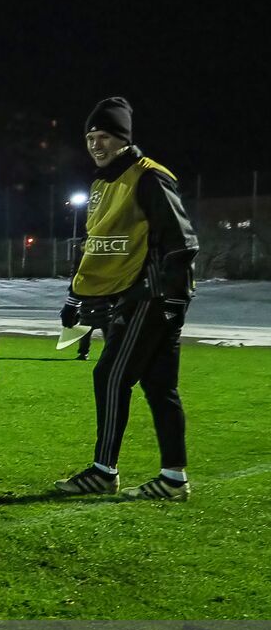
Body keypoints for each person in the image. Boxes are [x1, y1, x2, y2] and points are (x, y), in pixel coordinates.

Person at [54, 97, 198, 500]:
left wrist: (173, 297)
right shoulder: (101, 185)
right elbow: (95, 244)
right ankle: (173, 479)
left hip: (151, 295)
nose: (96, 145)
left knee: (110, 375)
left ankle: (103, 470)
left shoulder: (149, 176)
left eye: (105, 137)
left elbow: (182, 241)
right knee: (160, 388)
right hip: (130, 295)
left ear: (123, 139)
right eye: (90, 137)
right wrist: (75, 294)